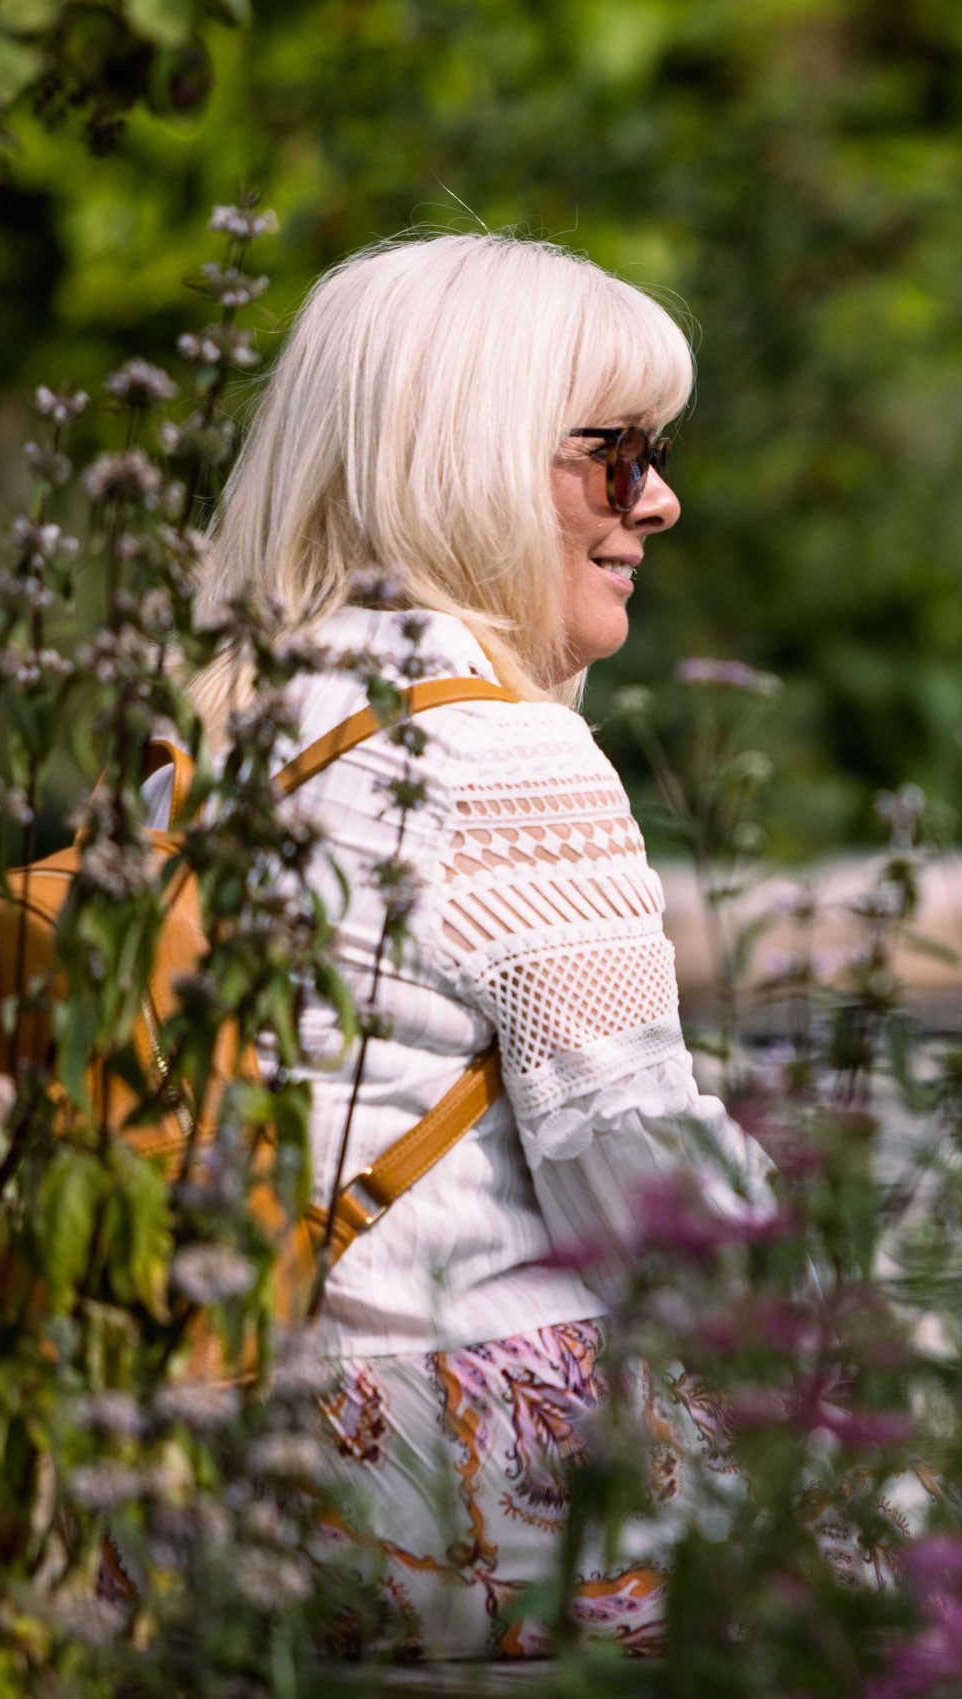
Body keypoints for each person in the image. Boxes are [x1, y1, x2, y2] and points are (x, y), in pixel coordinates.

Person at [164, 232, 770, 1658]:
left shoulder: (206, 742)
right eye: (618, 453)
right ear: (475, 457)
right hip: (449, 1471)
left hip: (193, 1468)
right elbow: (647, 1189)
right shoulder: (500, 757)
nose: (662, 501)